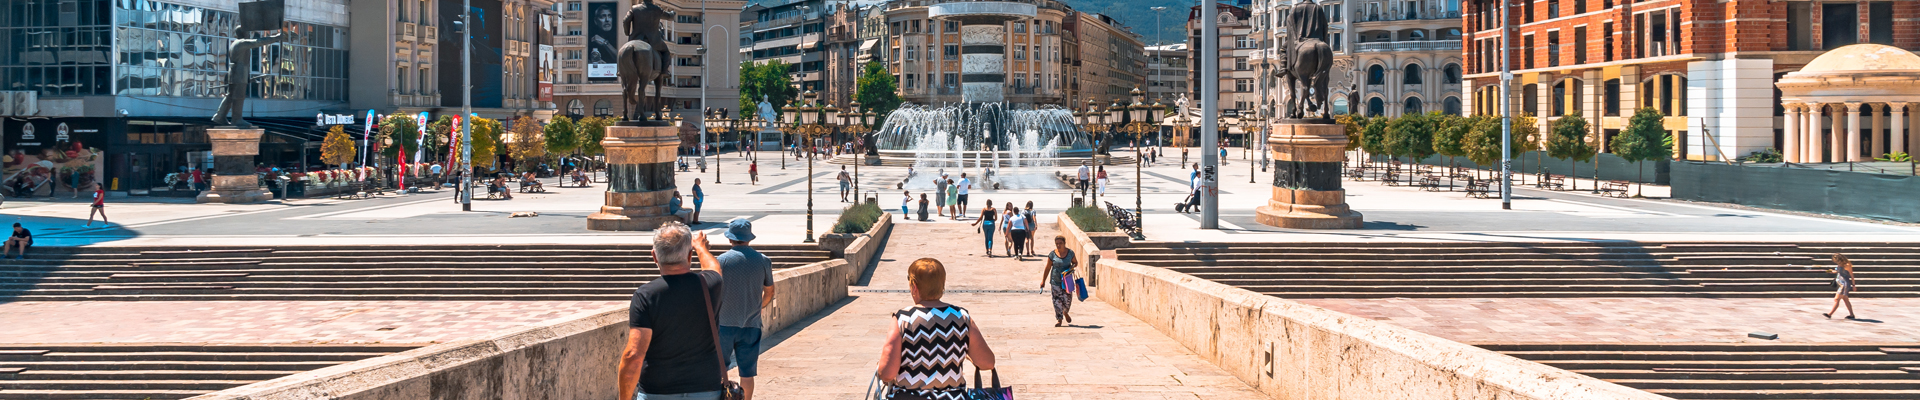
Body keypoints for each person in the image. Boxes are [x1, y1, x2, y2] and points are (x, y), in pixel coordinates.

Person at [617, 221, 730, 400]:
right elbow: (714, 268)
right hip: (705, 389)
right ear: (689, 256)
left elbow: (634, 355)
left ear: (654, 256)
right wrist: (700, 246)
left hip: (657, 391)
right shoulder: (710, 285)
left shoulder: (646, 295)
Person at [876, 258, 996, 400]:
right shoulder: (962, 316)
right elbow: (987, 363)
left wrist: (881, 367)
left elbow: (887, 373)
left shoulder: (903, 318)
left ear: (914, 287)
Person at [715, 219, 774, 400]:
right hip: (751, 324)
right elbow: (770, 291)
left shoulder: (721, 261)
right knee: (747, 373)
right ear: (749, 238)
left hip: (724, 324)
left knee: (719, 369)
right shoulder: (763, 261)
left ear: (730, 239)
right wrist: (760, 306)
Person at [1042, 236, 1078, 326]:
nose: (1058, 245)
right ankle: (1059, 319)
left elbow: (1075, 262)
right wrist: (1043, 281)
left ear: (1064, 243)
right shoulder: (1052, 254)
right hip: (1055, 280)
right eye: (1057, 243)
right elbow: (1047, 268)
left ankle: (1065, 312)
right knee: (1056, 300)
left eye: (1060, 243)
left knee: (1067, 300)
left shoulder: (1070, 253)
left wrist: (1070, 269)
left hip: (1067, 280)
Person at [1825, 253, 1858, 320]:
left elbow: (1851, 275)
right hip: (1840, 283)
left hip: (1844, 284)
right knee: (1845, 300)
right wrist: (1832, 271)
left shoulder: (1847, 265)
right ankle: (1851, 314)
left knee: (1837, 299)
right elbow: (1838, 271)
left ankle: (1830, 314)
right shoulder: (1839, 264)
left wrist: (1854, 285)